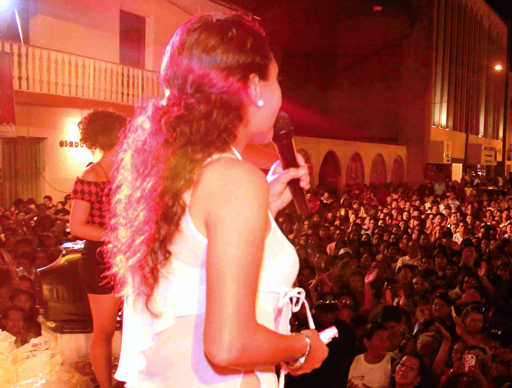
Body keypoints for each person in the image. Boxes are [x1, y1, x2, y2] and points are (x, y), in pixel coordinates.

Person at [107, 14, 327, 387]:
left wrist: (266, 208)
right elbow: (228, 346)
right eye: (276, 79)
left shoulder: (175, 168)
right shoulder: (233, 178)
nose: (279, 94)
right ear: (255, 86)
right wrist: (303, 346)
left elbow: (191, 270)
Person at [68, 109, 126, 388]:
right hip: (103, 259)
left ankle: (128, 380)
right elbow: (77, 226)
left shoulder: (132, 171)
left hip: (133, 258)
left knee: (135, 328)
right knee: (103, 331)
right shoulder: (92, 175)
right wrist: (117, 236)